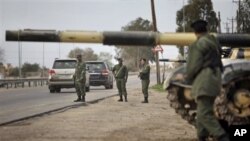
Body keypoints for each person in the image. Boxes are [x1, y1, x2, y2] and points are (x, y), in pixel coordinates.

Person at [186, 20, 229, 141]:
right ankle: (202, 136)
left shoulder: (198, 44)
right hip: (216, 79)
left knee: (204, 114)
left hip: (204, 80)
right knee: (202, 112)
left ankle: (222, 136)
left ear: (195, 32)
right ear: (206, 29)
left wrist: (186, 77)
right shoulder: (214, 42)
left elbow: (193, 65)